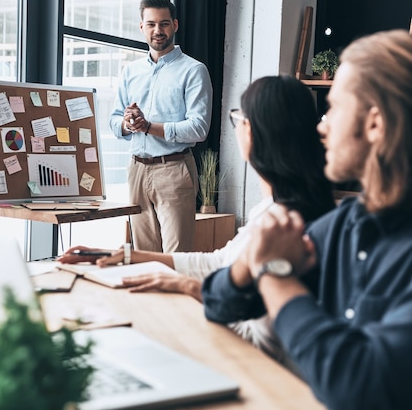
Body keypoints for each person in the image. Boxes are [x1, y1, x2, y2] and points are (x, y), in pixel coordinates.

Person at [201, 30, 412, 410]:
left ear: (374, 122)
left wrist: (275, 278)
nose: (322, 125)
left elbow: (357, 386)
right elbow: (218, 303)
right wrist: (251, 264)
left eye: (333, 107)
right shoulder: (341, 227)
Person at [60, 75, 335, 360]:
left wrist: (187, 289)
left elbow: (263, 341)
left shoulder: (282, 224)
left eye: (238, 118)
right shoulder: (275, 209)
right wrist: (126, 255)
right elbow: (216, 263)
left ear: (250, 132)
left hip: (248, 363)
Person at [109, 0, 213, 253]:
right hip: (136, 171)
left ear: (175, 25)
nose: (158, 30)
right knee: (143, 255)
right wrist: (127, 123)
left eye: (164, 23)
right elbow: (113, 120)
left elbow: (199, 128)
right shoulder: (130, 71)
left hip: (174, 170)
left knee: (177, 256)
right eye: (152, 24)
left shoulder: (193, 70)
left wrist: (148, 127)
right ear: (142, 27)